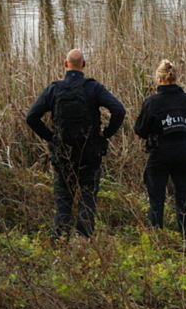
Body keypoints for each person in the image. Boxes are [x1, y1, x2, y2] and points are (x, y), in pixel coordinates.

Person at [26, 49, 125, 240]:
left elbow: (31, 117)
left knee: (63, 198)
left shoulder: (54, 89)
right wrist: (105, 134)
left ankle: (61, 240)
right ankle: (84, 241)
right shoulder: (93, 88)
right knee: (88, 197)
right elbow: (119, 110)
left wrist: (51, 137)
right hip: (90, 152)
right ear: (84, 65)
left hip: (63, 153)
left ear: (65, 64)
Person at [134, 59, 186, 238]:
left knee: (157, 199)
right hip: (184, 152)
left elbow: (140, 129)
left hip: (159, 154)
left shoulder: (152, 102)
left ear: (159, 79)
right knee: (183, 198)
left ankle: (157, 239)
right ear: (175, 77)